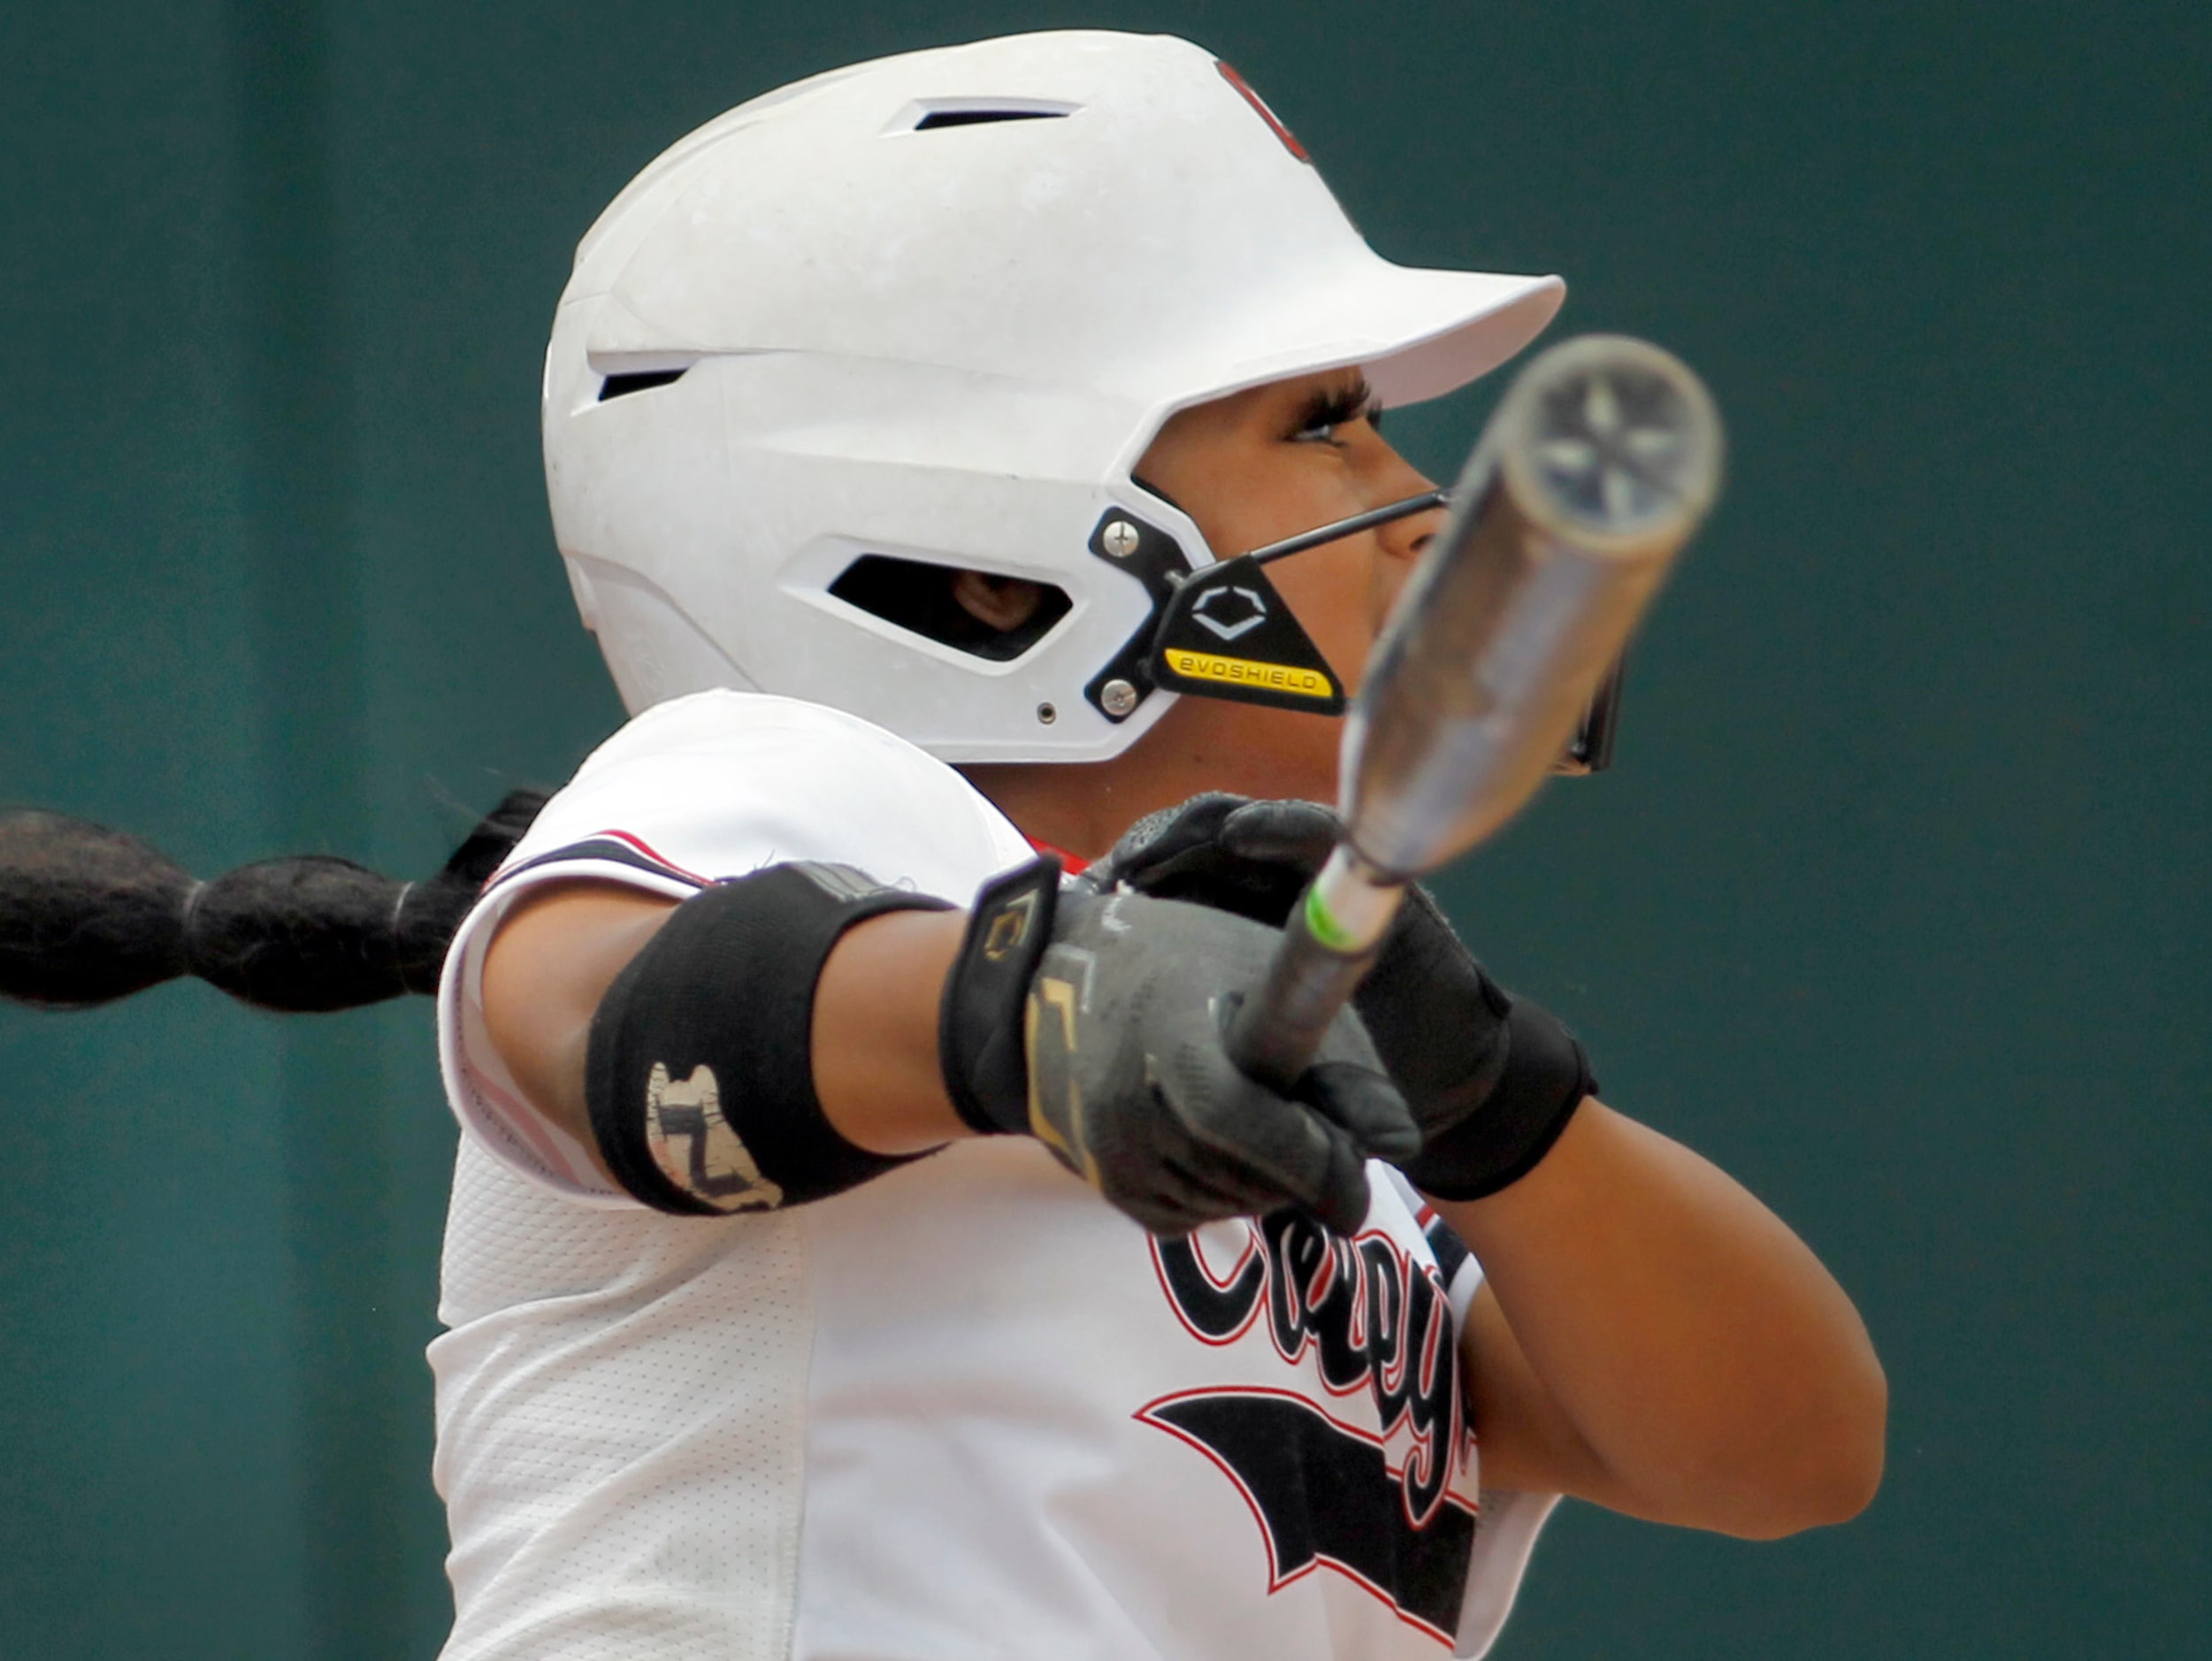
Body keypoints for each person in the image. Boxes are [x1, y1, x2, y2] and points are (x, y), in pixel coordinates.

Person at [0, 29, 1884, 1660]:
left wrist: (1504, 1109)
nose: (1412, 505)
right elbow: (575, 1003)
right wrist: (1030, 996)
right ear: (982, 556)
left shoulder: (1341, 1116)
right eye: (1329, 425)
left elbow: (1788, 1452)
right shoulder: (795, 787)